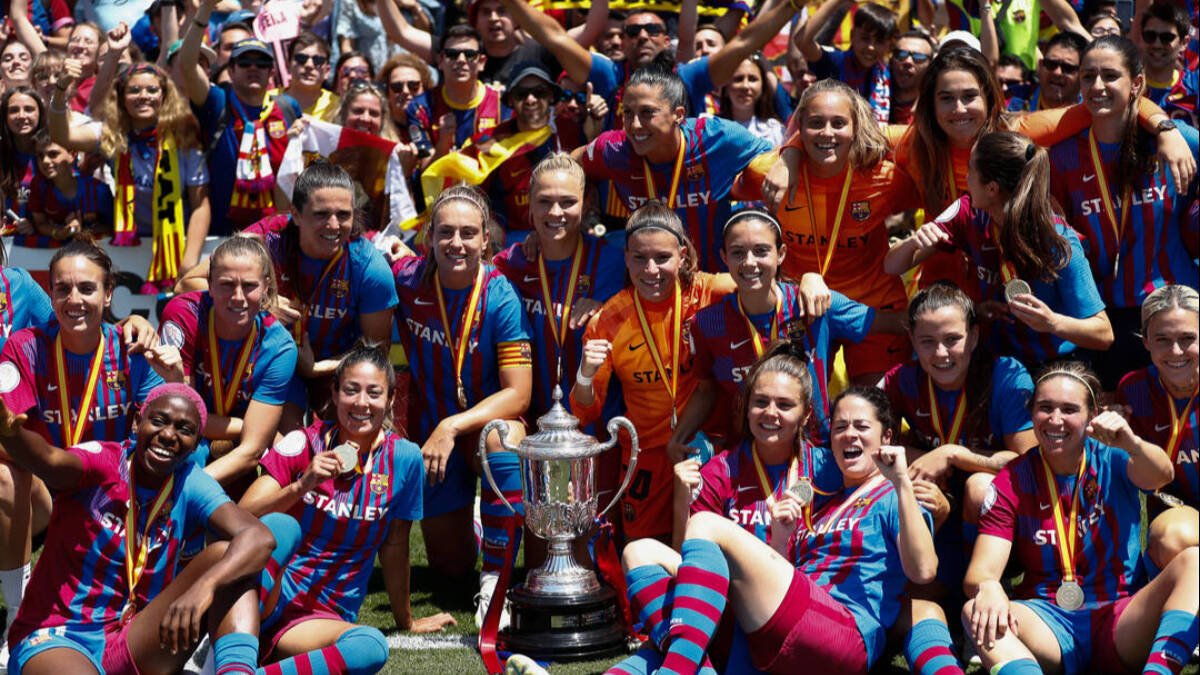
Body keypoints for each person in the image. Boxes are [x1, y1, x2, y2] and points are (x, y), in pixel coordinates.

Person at [609, 386, 936, 674]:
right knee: (640, 551)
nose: (849, 434)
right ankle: (692, 665)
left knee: (705, 524)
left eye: (861, 427)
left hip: (842, 632)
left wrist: (903, 482)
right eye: (840, 427)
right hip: (787, 628)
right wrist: (781, 537)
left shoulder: (895, 495)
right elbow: (780, 583)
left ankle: (679, 669)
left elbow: (923, 570)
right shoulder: (824, 497)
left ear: (887, 438)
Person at [0, 384, 281, 675]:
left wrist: (203, 588)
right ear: (137, 423)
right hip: (61, 635)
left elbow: (259, 537)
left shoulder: (189, 482)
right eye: (158, 421)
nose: (169, 435)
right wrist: (12, 434)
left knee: (234, 558)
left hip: (134, 635)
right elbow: (51, 461)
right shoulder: (105, 461)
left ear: (197, 443)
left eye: (184, 429)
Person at [963, 361, 1197, 675]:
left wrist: (1131, 441)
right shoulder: (1012, 479)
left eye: (1069, 409)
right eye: (1045, 407)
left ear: (1091, 416)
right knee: (972, 608)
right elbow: (980, 572)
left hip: (1122, 615)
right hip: (1048, 620)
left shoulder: (1112, 456)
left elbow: (1161, 474)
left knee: (1194, 561)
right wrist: (988, 587)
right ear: (1031, 413)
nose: (1055, 420)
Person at [240, 345, 453, 673]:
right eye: (351, 390)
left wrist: (406, 619)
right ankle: (224, 645)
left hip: (318, 619)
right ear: (335, 393)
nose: (361, 403)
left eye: (374, 392)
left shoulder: (405, 459)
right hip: (263, 598)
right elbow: (243, 516)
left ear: (391, 398)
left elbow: (395, 546)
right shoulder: (304, 442)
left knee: (370, 646)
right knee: (280, 530)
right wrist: (301, 485)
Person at [392, 184, 533, 628]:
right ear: (429, 236)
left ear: (486, 241)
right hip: (432, 439)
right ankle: (480, 526)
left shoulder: (500, 295)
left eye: (468, 233)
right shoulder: (406, 280)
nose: (457, 243)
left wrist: (452, 426)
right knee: (450, 571)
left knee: (503, 437)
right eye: (446, 232)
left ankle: (496, 580)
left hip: (474, 432)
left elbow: (519, 394)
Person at [177, 163, 397, 423]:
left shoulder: (370, 268)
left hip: (336, 371)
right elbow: (187, 283)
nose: (334, 225)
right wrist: (262, 301)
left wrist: (315, 369)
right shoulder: (267, 238)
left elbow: (377, 352)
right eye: (321, 214)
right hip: (271, 361)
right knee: (287, 446)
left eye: (343, 214)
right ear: (295, 214)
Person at [571, 201, 736, 543]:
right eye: (639, 258)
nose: (651, 270)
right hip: (644, 456)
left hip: (704, 448)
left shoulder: (709, 293)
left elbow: (763, 282)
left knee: (705, 545)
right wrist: (585, 374)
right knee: (643, 552)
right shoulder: (609, 321)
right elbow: (585, 410)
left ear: (683, 255)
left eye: (662, 257)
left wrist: (809, 279)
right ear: (626, 258)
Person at [735, 78, 918, 385]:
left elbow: (934, 140)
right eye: (816, 123)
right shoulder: (767, 173)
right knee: (803, 411)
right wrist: (789, 152)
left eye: (839, 123)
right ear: (799, 126)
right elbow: (719, 190)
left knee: (874, 411)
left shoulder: (885, 178)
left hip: (875, 307)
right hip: (803, 308)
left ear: (856, 127)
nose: (827, 133)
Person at [675, 208, 900, 452]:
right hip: (750, 458)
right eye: (738, 252)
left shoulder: (816, 304)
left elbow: (893, 323)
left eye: (761, 251)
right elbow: (707, 389)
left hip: (817, 452)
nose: (749, 262)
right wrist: (678, 439)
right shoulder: (707, 324)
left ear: (781, 254)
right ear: (724, 257)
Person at [885, 130, 1113, 365]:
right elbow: (892, 266)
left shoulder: (1056, 239)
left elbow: (1103, 333)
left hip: (1053, 364)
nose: (966, 177)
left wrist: (1052, 322)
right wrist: (914, 241)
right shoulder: (968, 212)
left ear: (991, 188)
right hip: (995, 359)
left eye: (971, 169)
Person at [1048, 36, 1199, 388]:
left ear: (1137, 84)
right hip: (1105, 318)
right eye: (1088, 76)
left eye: (1110, 76)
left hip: (1175, 311)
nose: (1097, 86)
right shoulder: (1062, 157)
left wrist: (1167, 129)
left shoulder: (1177, 141)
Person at [575, 63, 773, 271]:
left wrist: (787, 162)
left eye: (647, 113)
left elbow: (778, 158)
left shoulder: (718, 138)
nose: (634, 125)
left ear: (678, 114)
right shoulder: (615, 149)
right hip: (652, 282)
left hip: (714, 283)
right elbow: (567, 166)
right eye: (628, 113)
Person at [499, 0, 800, 124]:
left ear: (665, 40)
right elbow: (556, 38)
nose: (642, 36)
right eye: (633, 31)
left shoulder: (688, 77)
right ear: (624, 41)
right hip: (617, 220)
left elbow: (745, 42)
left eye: (652, 30)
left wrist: (793, 6)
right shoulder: (609, 74)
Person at [48, 60, 211, 289]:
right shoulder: (112, 135)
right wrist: (61, 89)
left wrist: (189, 262)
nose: (143, 96)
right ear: (122, 97)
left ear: (164, 95)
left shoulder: (184, 138)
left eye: (152, 90)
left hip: (176, 244)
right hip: (130, 244)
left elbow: (200, 205)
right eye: (134, 90)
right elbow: (62, 136)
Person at [493, 153, 625, 421]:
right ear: (529, 204)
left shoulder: (612, 261)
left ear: (586, 204)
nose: (555, 212)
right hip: (532, 424)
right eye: (544, 201)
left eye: (567, 202)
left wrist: (605, 310)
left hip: (596, 425)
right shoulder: (512, 263)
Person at [158, 236, 297, 488]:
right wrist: (249, 427)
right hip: (192, 436)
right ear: (208, 285)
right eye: (226, 284)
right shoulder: (183, 315)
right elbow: (183, 417)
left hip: (240, 454)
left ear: (266, 287)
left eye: (249, 285)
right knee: (192, 450)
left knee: (282, 464)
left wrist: (190, 490)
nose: (238, 297)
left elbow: (252, 451)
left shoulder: (280, 346)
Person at [179, 0, 303, 235]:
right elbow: (187, 65)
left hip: (276, 234)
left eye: (262, 63)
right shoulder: (217, 101)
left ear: (271, 72)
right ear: (231, 69)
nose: (253, 68)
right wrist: (204, 11)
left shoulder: (288, 107)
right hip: (221, 233)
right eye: (245, 62)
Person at [1116, 285, 1199, 571]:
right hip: (1179, 511)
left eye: (1187, 338)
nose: (1176, 351)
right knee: (1169, 538)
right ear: (1146, 341)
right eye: (1162, 339)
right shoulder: (1134, 390)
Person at [405, 26, 507, 167]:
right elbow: (425, 174)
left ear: (482, 62)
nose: (461, 60)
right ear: (440, 60)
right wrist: (444, 143)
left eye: (470, 54)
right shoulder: (420, 108)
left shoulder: (502, 102)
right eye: (452, 54)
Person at [797, 0, 898, 123]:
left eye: (879, 41)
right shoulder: (836, 61)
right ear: (852, 35)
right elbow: (802, 41)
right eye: (865, 38)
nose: (871, 47)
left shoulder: (889, 73)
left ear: (889, 45)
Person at [26, 131, 111, 241]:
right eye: (40, 155)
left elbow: (113, 227)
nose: (45, 161)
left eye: (53, 154)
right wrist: (58, 233)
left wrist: (83, 231)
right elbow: (40, 224)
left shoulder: (98, 190)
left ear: (72, 155)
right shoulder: (39, 187)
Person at [1139, 1, 1197, 127]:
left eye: (1167, 37)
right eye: (1150, 36)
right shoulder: (1127, 87)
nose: (1157, 44)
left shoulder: (1195, 85)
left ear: (1184, 43)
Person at [1007, 32, 1087, 113]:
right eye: (1051, 64)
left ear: (1082, 75)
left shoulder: (1092, 114)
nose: (1057, 72)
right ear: (1041, 66)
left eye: (1068, 68)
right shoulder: (1011, 100)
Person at [269, 32, 339, 122]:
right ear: (288, 65)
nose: (309, 65)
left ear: (327, 71)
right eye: (301, 58)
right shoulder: (267, 101)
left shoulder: (338, 107)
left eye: (318, 60)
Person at [717, 53, 784, 147]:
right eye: (738, 79)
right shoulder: (710, 126)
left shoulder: (775, 130)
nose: (745, 86)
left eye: (752, 79)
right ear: (726, 87)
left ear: (762, 86)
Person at [0, 87, 44, 226]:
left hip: (45, 242)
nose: (22, 115)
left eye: (29, 109)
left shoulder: (55, 153)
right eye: (13, 110)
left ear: (40, 113)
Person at [889, 30, 934, 125]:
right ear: (891, 60)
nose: (908, 62)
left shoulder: (935, 109)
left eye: (918, 57)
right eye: (901, 55)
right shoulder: (868, 97)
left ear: (930, 66)